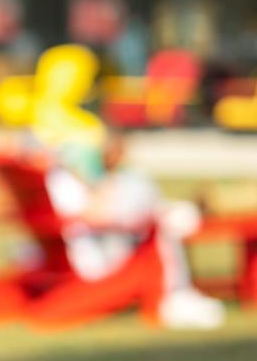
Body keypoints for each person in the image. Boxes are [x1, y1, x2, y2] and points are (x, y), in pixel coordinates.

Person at [44, 131, 225, 329]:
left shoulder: (66, 182)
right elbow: (95, 215)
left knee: (165, 222)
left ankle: (177, 293)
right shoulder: (65, 183)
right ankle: (172, 297)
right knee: (163, 229)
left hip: (95, 244)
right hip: (99, 256)